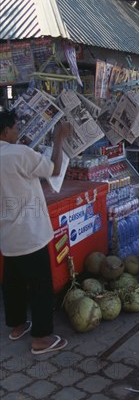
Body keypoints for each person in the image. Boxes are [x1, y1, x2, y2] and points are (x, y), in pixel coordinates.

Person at [0, 108, 70, 355]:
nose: (18, 132)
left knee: (14, 283)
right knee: (40, 286)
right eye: (16, 128)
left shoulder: (15, 153)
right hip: (30, 234)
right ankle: (41, 338)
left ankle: (17, 325)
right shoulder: (18, 153)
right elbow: (54, 168)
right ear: (6, 130)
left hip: (7, 237)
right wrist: (59, 138)